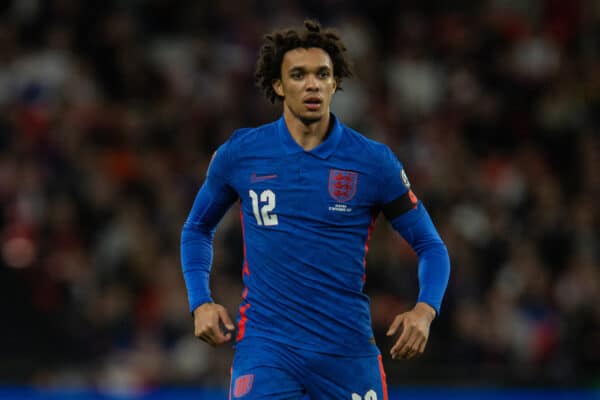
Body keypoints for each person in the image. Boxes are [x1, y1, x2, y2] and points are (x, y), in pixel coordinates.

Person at [180, 19, 450, 400]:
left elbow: (430, 246)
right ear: (278, 85)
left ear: (335, 83)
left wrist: (425, 310)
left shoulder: (373, 162)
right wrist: (200, 302)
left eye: (323, 74)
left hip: (346, 352)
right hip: (267, 348)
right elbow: (196, 229)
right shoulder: (240, 154)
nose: (312, 84)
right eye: (299, 74)